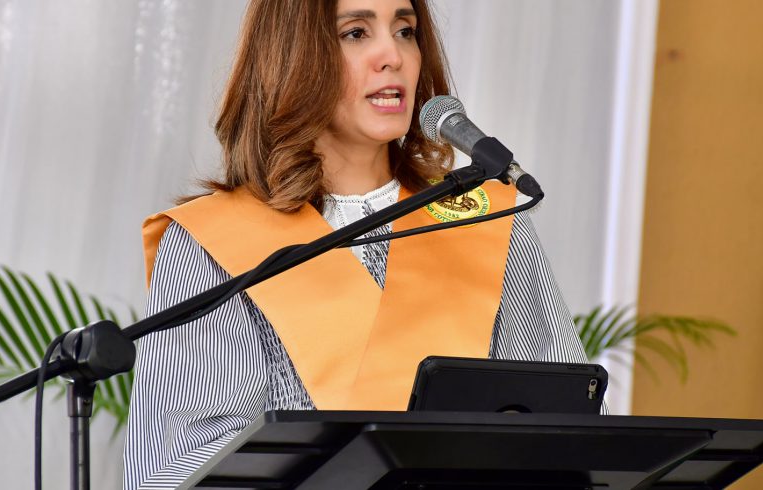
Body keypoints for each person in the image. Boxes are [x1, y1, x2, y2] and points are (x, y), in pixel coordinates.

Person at [122, 0, 592, 488]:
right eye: (356, 33)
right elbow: (178, 467)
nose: (393, 55)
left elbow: (570, 427)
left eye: (405, 31)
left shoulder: (489, 220)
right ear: (292, 56)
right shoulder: (212, 242)